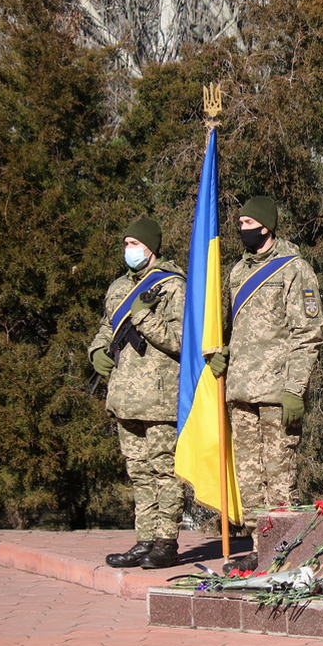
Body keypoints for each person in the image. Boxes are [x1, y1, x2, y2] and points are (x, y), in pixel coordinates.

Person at [209, 196, 323, 574]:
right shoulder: (237, 272)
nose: (242, 229)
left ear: (265, 226)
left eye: (247, 222)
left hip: (276, 392)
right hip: (241, 389)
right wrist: (220, 354)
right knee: (250, 478)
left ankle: (283, 549)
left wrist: (295, 389)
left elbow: (306, 335)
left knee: (280, 476)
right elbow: (232, 327)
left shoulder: (294, 270)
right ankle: (260, 548)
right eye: (239, 222)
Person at [89, 217, 187, 569]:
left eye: (134, 244)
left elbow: (181, 340)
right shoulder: (118, 287)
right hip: (124, 397)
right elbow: (107, 327)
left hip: (160, 399)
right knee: (139, 473)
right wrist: (96, 350)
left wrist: (145, 320)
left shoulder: (173, 286)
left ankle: (166, 542)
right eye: (126, 243)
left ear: (151, 247)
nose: (128, 250)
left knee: (166, 471)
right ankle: (144, 540)